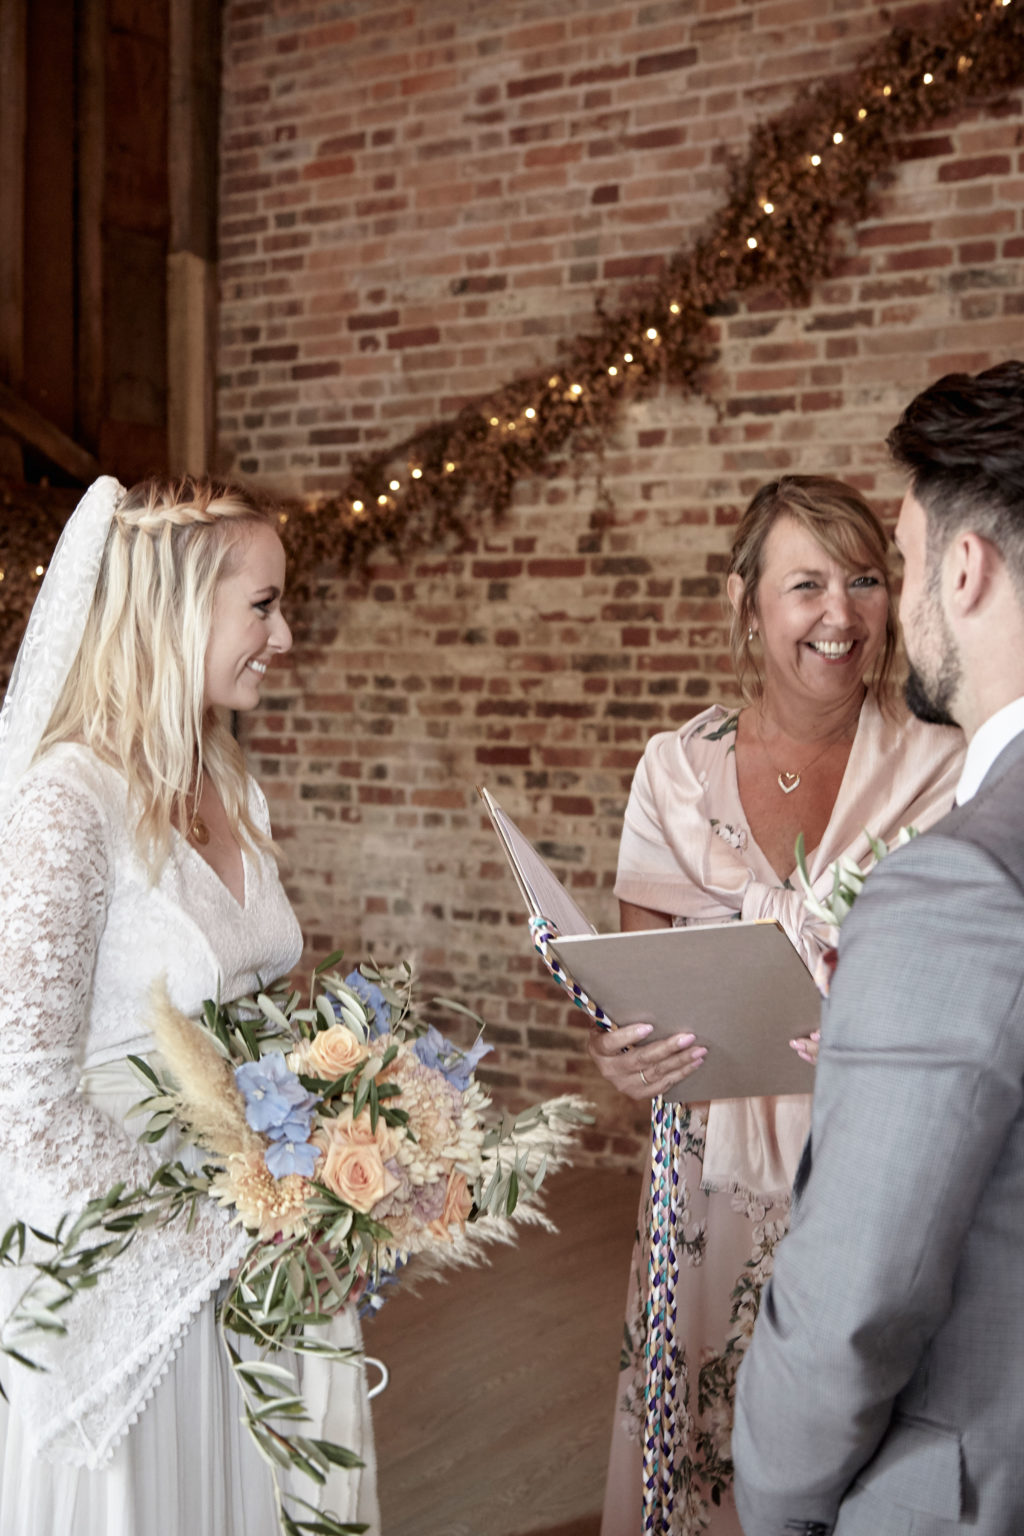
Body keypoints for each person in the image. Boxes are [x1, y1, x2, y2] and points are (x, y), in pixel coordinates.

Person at [0, 476, 379, 1536]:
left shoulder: (231, 782)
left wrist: (333, 1157)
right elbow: (25, 1092)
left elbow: (263, 1011)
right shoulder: (67, 803)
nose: (286, 634)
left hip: (267, 1230)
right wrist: (210, 1234)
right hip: (130, 1256)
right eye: (261, 606)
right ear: (174, 610)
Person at [589, 475, 964, 1536]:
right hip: (707, 1163)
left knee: (858, 1429)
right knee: (708, 1425)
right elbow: (636, 979)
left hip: (875, 1157)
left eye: (864, 580)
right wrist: (621, 1053)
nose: (840, 614)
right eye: (806, 584)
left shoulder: (941, 760)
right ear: (745, 603)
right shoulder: (673, 769)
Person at [732, 366, 1024, 1534]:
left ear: (966, 569)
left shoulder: (959, 880)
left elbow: (859, 1300)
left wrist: (778, 1501)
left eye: (893, 566)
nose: (878, 609)